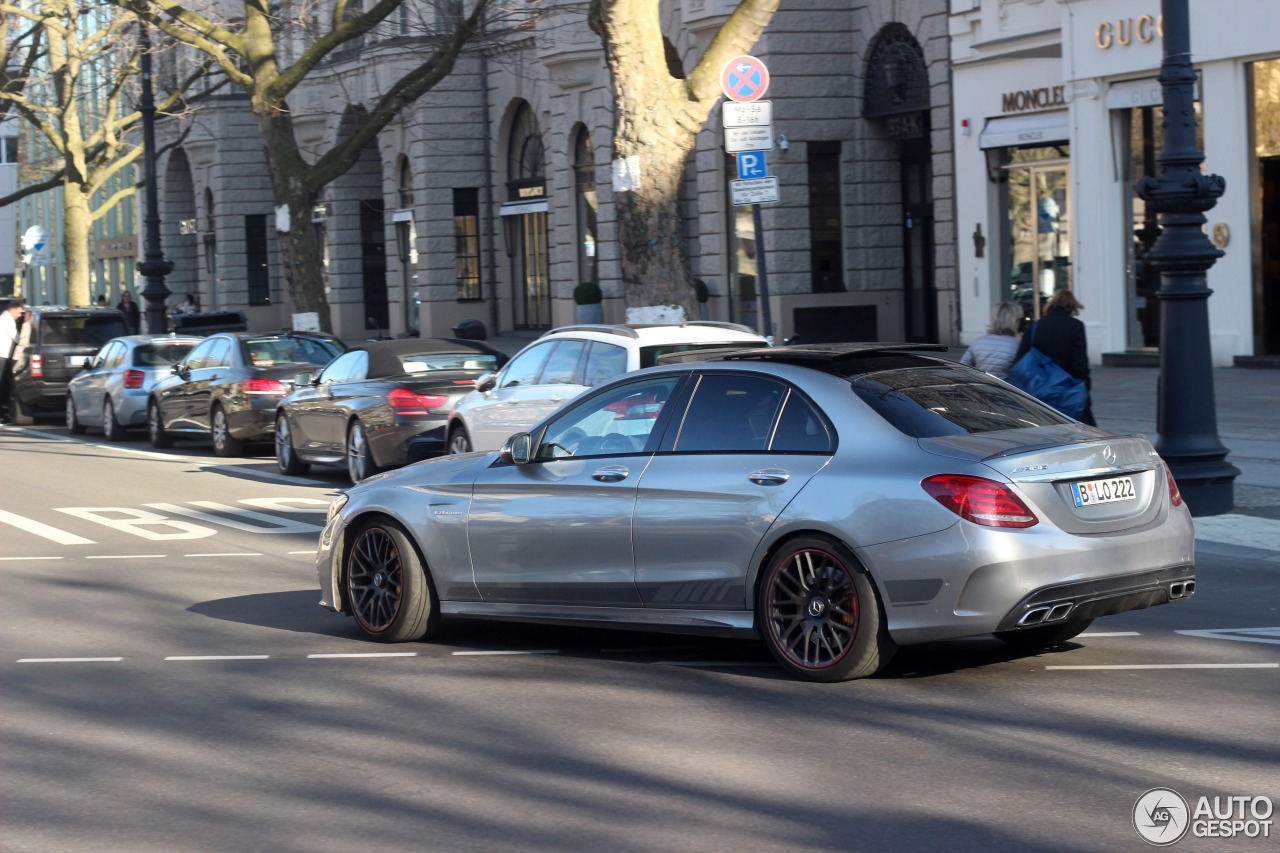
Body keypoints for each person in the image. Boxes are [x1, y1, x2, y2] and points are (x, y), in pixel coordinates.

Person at [1015, 288, 1095, 426]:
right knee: (1081, 428)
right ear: (1072, 307)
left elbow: (1020, 359)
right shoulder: (1075, 326)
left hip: (1039, 389)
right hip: (1067, 389)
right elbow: (1080, 362)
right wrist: (1085, 385)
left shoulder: (1035, 326)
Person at [960, 301, 1022, 380]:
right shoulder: (1017, 345)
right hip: (1007, 390)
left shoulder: (979, 342)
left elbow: (962, 367)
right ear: (1014, 321)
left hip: (982, 388)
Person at [1, 298, 25, 424]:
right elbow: (17, 339)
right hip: (2, 355)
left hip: (3, 355)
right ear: (12, 309)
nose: (20, 315)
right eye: (19, 312)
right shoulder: (7, 321)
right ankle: (3, 413)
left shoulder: (4, 318)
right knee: (3, 384)